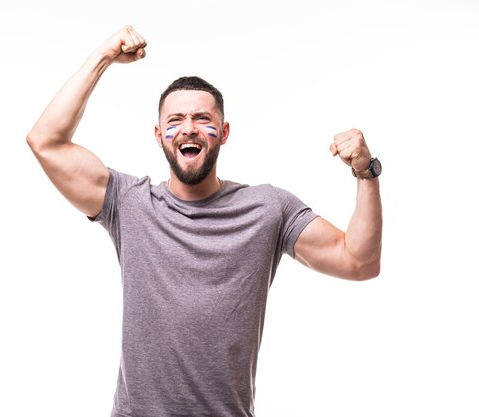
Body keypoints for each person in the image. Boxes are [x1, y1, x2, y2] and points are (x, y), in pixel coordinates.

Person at [26, 25, 382, 417]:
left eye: (202, 118)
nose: (190, 128)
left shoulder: (267, 209)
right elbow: (45, 140)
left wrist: (366, 173)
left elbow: (359, 261)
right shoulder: (129, 203)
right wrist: (103, 56)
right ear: (160, 135)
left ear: (223, 133)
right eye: (176, 120)